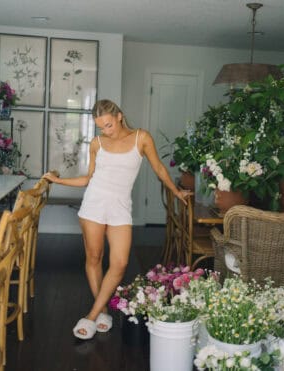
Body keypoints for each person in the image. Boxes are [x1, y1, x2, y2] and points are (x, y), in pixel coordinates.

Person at [42, 99, 190, 340]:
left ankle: (90, 316)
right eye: (101, 127)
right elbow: (88, 179)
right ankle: (101, 312)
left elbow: (160, 169)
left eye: (108, 125)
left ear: (119, 116)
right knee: (94, 258)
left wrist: (176, 191)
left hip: (121, 208)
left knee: (120, 264)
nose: (106, 131)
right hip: (93, 206)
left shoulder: (141, 138)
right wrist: (58, 181)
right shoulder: (97, 143)